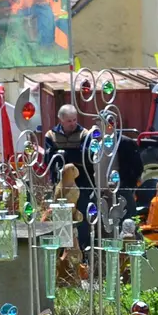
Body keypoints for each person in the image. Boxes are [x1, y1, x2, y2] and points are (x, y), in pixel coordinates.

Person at [46, 105, 93, 247]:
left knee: (82, 218)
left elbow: (87, 157)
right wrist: (69, 157)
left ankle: (83, 249)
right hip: (61, 185)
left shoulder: (84, 134)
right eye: (69, 121)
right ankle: (63, 249)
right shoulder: (51, 135)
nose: (72, 123)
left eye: (74, 120)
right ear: (61, 120)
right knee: (62, 218)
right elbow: (49, 160)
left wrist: (64, 155)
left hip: (82, 184)